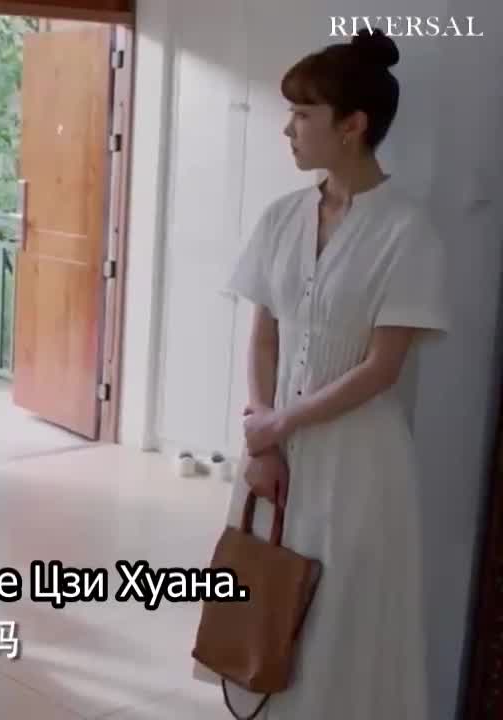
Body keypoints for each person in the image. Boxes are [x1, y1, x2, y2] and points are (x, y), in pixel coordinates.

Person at [214, 29, 448, 718]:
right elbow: (264, 334)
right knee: (264, 605)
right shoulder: (281, 217)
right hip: (276, 448)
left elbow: (382, 368)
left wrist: (278, 425)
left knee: (342, 621)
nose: (287, 128)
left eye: (302, 114)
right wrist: (263, 435)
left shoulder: (408, 232)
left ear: (353, 126)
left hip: (360, 462)